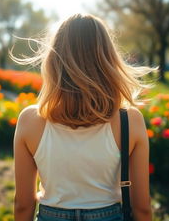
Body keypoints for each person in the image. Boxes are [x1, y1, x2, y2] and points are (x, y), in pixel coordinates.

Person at [11, 13, 155, 221]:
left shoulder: (30, 120)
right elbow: (141, 207)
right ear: (107, 58)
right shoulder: (129, 120)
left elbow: (23, 205)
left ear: (53, 60)